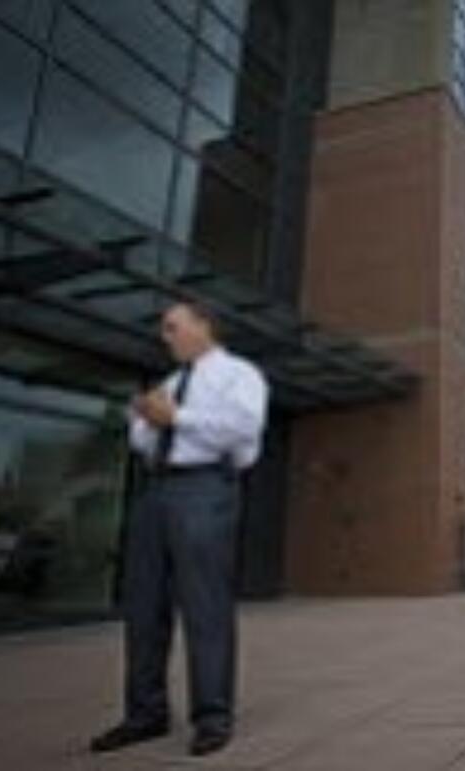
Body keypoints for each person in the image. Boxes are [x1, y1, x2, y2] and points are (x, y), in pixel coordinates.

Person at [90, 301, 268, 757]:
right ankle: (145, 714)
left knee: (204, 604)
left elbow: (242, 427)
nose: (165, 336)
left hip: (206, 487)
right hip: (156, 491)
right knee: (143, 605)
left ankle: (212, 717)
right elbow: (145, 441)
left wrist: (178, 418)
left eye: (172, 327)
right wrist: (143, 420)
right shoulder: (170, 383)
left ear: (203, 326)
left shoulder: (239, 375)